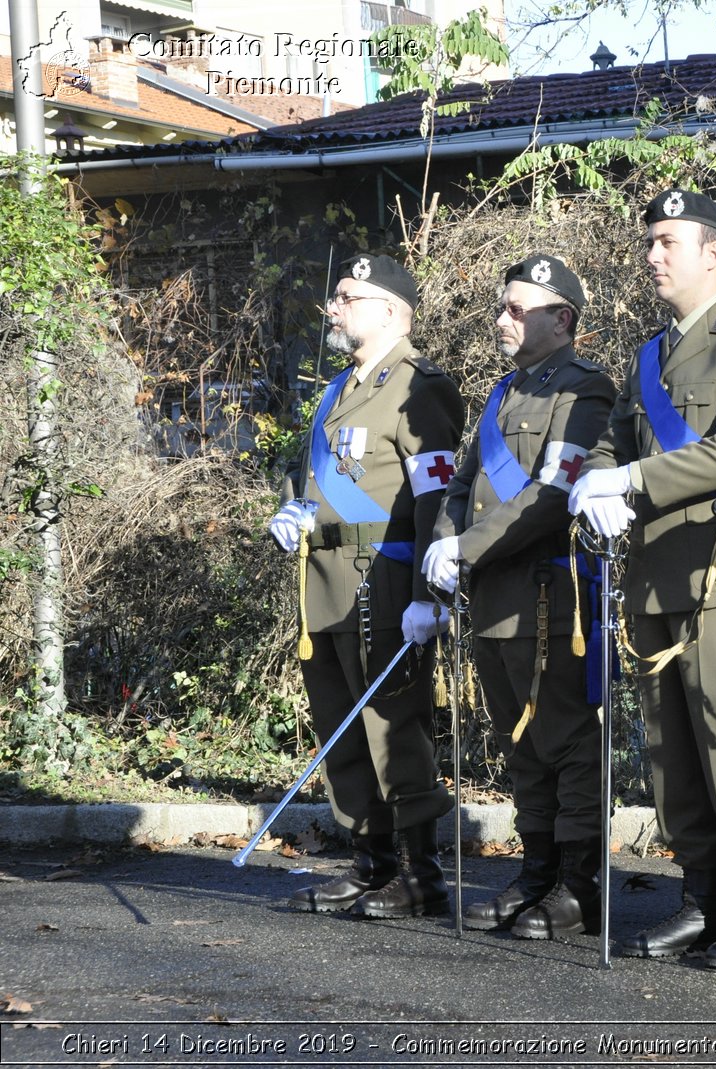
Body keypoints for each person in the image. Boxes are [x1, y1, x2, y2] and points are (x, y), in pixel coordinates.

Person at [567, 189, 716, 968]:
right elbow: (610, 441)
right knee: (668, 744)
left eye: (669, 241)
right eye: (650, 242)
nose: (654, 255)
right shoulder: (647, 354)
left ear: (713, 252)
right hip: (654, 573)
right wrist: (595, 487)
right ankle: (703, 895)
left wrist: (627, 481)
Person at [421, 253, 616, 938]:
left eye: (517, 308)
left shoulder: (584, 390)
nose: (502, 319)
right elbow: (461, 486)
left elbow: (550, 494)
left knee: (562, 738)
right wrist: (444, 549)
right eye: (503, 306)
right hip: (493, 597)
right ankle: (534, 872)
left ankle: (575, 882)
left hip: (546, 598)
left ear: (560, 318)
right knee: (519, 744)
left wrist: (467, 546)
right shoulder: (504, 391)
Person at [266, 253, 464, 918]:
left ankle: (418, 872)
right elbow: (318, 475)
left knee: (392, 727)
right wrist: (292, 504)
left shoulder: (418, 385)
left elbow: (439, 495)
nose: (334, 307)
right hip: (321, 583)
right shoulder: (338, 389)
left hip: (382, 583)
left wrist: (428, 594)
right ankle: (370, 861)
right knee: (341, 732)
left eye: (347, 296)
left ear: (387, 310)